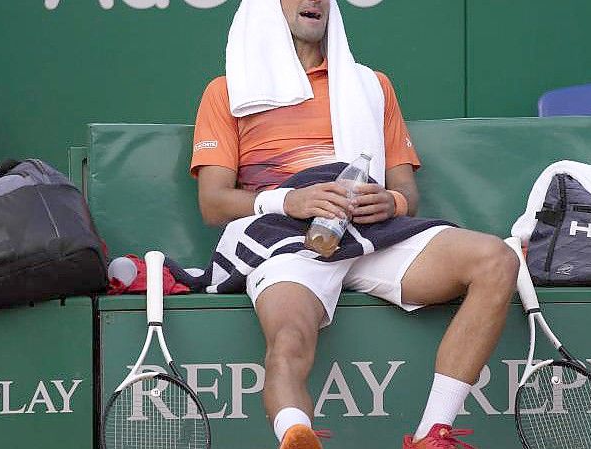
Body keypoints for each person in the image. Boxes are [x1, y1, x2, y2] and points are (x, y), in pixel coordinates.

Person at [190, 1, 519, 448]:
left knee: (496, 259)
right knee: (288, 339)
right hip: (284, 238)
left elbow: (407, 192)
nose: (315, 1)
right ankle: (296, 437)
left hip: (369, 234)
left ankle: (431, 435)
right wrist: (291, 199)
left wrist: (391, 200)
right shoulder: (226, 91)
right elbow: (214, 203)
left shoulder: (371, 86)